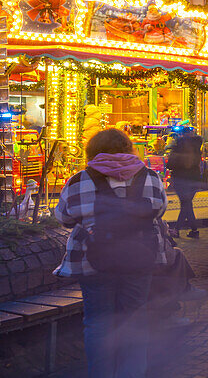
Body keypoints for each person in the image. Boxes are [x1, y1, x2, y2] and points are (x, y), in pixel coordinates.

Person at [54, 128, 169, 378]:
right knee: (135, 319)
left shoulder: (79, 179)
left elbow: (63, 216)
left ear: (93, 151)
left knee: (98, 322)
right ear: (129, 148)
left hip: (92, 261)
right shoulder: (150, 177)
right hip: (140, 258)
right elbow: (159, 211)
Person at [166, 126, 204, 238]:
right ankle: (194, 230)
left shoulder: (178, 146)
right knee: (187, 204)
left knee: (185, 205)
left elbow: (170, 165)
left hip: (180, 179)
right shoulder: (197, 146)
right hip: (194, 179)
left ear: (182, 134)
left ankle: (177, 230)